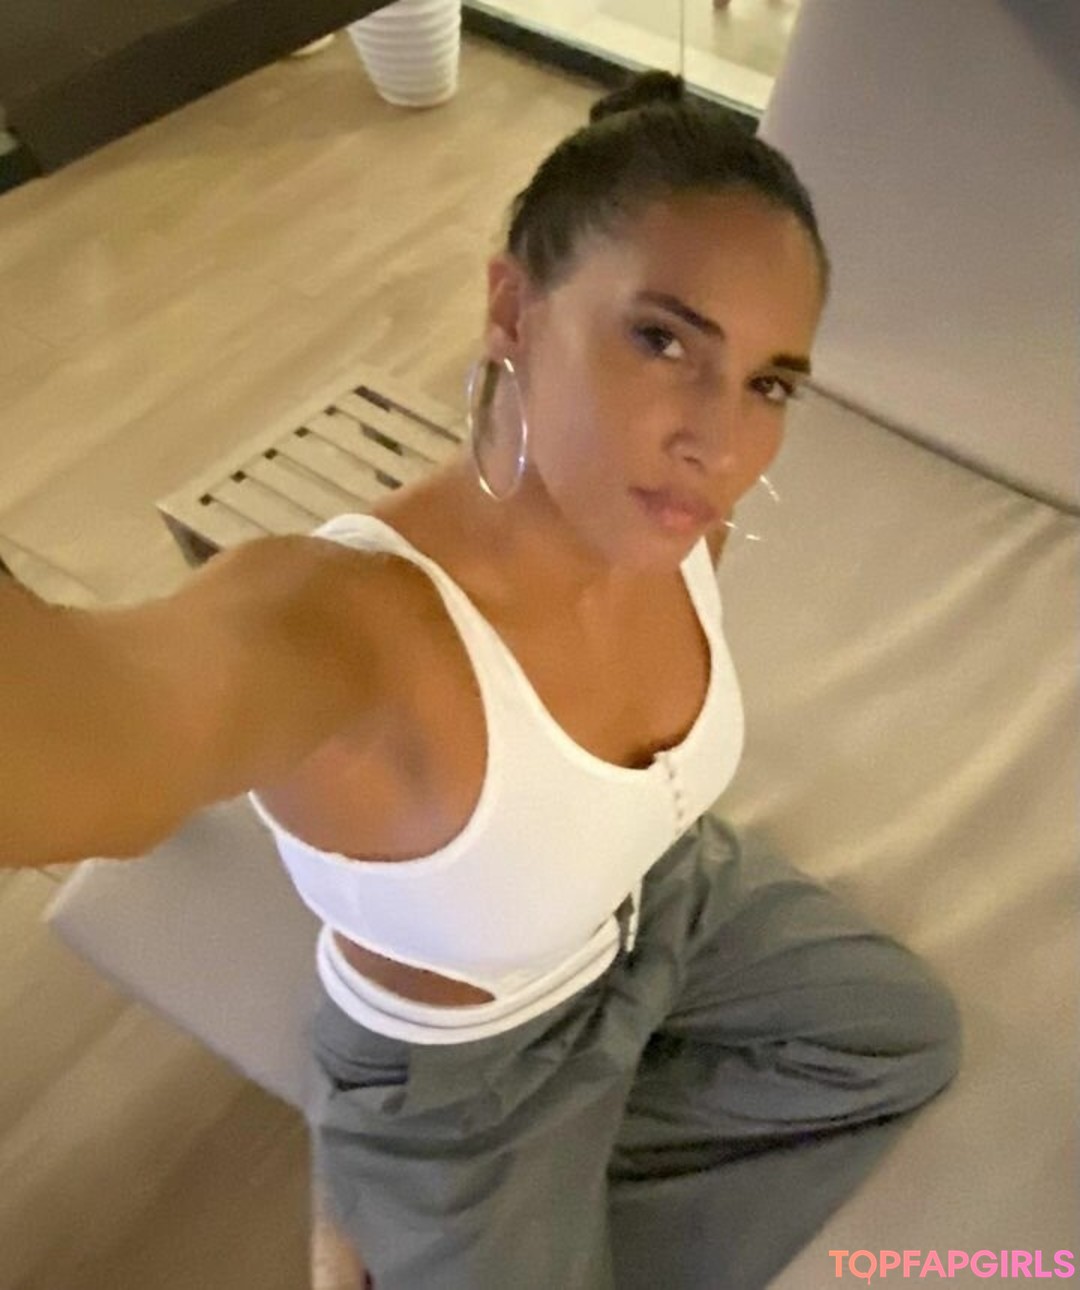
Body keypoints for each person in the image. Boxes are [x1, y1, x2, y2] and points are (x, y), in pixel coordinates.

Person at [1, 70, 960, 1289]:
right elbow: (86, 750)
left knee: (898, 1040)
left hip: (666, 900)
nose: (720, 444)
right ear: (513, 308)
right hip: (468, 1080)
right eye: (664, 339)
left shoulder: (676, 521)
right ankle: (393, 1189)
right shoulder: (346, 625)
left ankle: (548, 1185)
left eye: (769, 383)